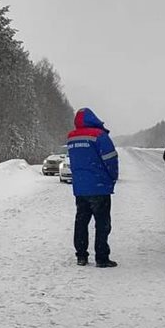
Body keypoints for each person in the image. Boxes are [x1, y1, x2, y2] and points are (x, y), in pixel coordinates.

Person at [66, 107, 119, 267]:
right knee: (102, 223)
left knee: (81, 221)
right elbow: (110, 160)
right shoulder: (99, 136)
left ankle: (81, 256)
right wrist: (113, 177)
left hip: (80, 188)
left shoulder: (71, 138)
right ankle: (102, 258)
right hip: (99, 186)